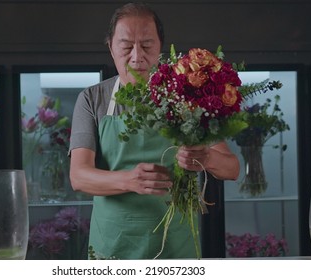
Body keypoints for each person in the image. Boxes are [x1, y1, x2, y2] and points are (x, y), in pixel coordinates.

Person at [69, 2, 240, 259]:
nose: (137, 57)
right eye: (126, 46)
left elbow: (232, 168)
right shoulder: (93, 100)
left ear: (160, 47)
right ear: (111, 48)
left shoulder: (186, 96)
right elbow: (79, 177)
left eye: (147, 46)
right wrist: (129, 180)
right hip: (112, 250)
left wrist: (207, 158)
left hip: (176, 250)